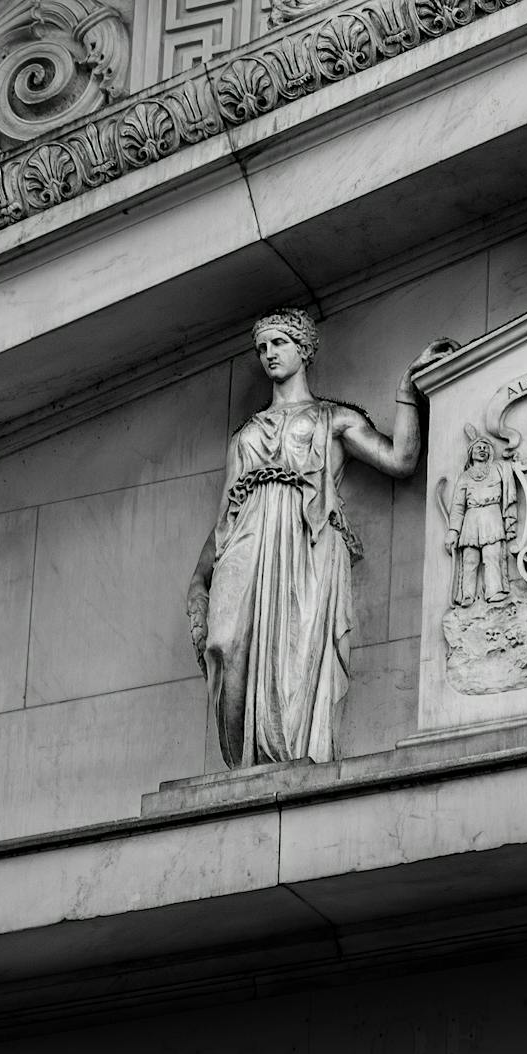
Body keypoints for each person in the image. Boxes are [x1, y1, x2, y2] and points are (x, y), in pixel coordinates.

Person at [185, 310, 457, 768]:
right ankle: (243, 762)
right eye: (262, 347)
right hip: (247, 542)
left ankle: (287, 756)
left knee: (295, 651)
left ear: (304, 350)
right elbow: (222, 519)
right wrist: (198, 578)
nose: (269, 354)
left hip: (305, 545)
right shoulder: (245, 435)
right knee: (225, 643)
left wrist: (407, 393)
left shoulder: (333, 419)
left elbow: (401, 459)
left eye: (279, 343)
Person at [445, 428, 517, 606]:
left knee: (492, 555)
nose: (482, 450)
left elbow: (513, 470)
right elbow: (458, 506)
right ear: (471, 453)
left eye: (486, 447)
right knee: (470, 558)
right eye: (478, 447)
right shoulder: (465, 477)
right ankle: (467, 594)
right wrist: (453, 531)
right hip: (471, 517)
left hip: (492, 514)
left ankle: (494, 590)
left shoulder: (498, 469)